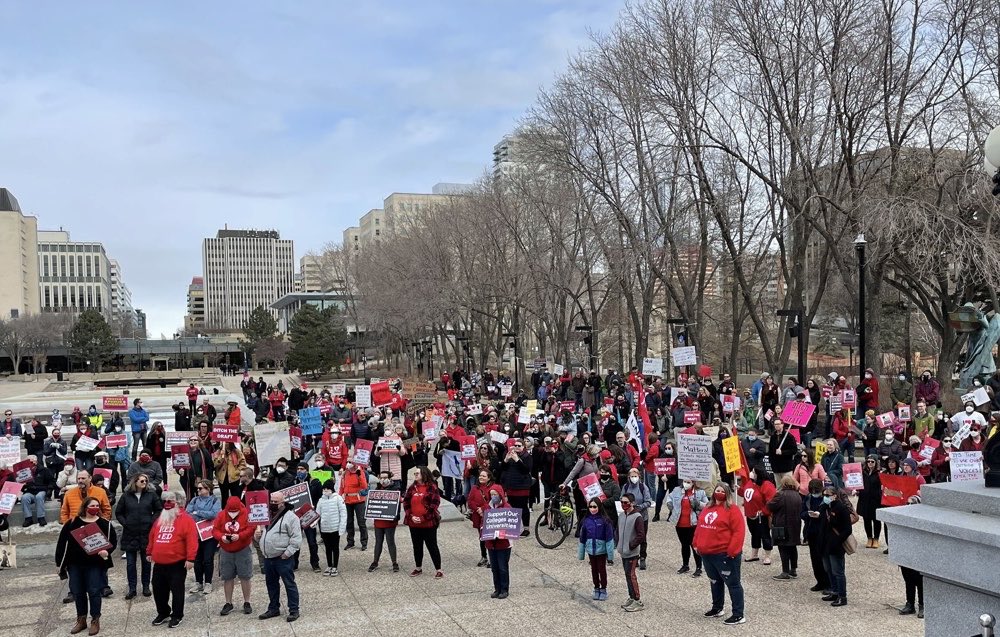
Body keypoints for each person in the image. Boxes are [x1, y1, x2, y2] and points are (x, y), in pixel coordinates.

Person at [56, 496, 118, 636]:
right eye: (92, 505)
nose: (95, 508)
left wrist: (106, 551)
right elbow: (62, 543)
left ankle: (95, 620)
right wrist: (59, 563)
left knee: (94, 591)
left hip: (95, 564)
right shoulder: (72, 523)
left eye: (97, 506)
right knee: (78, 591)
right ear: (85, 507)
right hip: (75, 563)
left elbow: (112, 541)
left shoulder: (105, 524)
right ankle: (81, 619)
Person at [692, 483, 747, 625]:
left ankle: (738, 614)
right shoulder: (708, 508)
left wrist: (732, 551)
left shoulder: (732, 510)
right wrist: (696, 543)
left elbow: (738, 532)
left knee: (733, 584)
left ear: (727, 493)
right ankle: (717, 608)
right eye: (717, 490)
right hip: (707, 553)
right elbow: (700, 527)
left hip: (724, 554)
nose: (719, 493)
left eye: (722, 491)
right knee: (715, 581)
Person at [147, 491, 199, 628]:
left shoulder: (186, 520)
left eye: (171, 501)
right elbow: (153, 535)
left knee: (177, 591)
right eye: (166, 501)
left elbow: (192, 540)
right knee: (158, 590)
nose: (167, 504)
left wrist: (191, 559)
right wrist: (149, 551)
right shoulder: (161, 519)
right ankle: (163, 612)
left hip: (177, 563)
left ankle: (177, 615)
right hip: (159, 563)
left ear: (179, 503)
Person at [256, 490, 302, 622]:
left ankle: (294, 610)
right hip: (268, 557)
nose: (272, 504)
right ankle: (273, 608)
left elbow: (296, 538)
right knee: (271, 584)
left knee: (289, 584)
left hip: (282, 558)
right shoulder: (265, 515)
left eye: (275, 502)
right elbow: (261, 532)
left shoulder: (291, 517)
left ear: (283, 503)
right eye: (271, 501)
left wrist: (287, 553)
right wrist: (257, 536)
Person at [115, 473, 162, 599]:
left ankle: (146, 586)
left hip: (146, 532)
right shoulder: (126, 496)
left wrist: (152, 522)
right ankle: (132, 588)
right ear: (135, 482)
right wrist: (125, 523)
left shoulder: (151, 495)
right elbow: (118, 512)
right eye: (141, 480)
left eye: (146, 480)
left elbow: (159, 509)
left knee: (146, 562)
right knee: (131, 564)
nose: (144, 482)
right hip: (130, 533)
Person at [213, 496, 255, 616]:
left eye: (234, 512)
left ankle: (247, 602)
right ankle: (228, 602)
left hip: (243, 549)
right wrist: (222, 537)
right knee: (227, 577)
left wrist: (240, 536)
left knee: (245, 576)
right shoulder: (221, 515)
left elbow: (251, 528)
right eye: (230, 512)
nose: (232, 514)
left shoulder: (246, 513)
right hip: (226, 550)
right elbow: (215, 530)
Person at [403, 466, 443, 578]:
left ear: (424, 474)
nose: (415, 475)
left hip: (428, 523)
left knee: (432, 546)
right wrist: (410, 515)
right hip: (413, 523)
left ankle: (438, 569)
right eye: (415, 473)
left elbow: (434, 505)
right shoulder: (412, 488)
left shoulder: (432, 487)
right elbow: (406, 502)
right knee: (417, 546)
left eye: (417, 473)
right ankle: (418, 568)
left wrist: (423, 518)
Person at [818, 485, 853, 607]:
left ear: (835, 496)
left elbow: (847, 529)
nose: (825, 497)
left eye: (827, 495)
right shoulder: (824, 507)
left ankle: (842, 596)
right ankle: (834, 591)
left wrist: (837, 540)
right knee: (829, 569)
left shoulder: (841, 508)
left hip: (835, 545)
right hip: (825, 544)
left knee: (838, 571)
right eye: (824, 495)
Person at [665, 479, 707, 576]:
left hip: (693, 523)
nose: (686, 484)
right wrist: (670, 504)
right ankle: (685, 565)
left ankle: (699, 567)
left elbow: (707, 505)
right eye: (684, 481)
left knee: (694, 545)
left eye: (688, 482)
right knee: (684, 545)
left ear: (693, 483)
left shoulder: (700, 492)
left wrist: (698, 503)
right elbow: (669, 498)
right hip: (680, 523)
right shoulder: (677, 490)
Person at [186, 480, 221, 594]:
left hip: (209, 534)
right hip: (196, 534)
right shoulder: (194, 500)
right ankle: (198, 582)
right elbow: (188, 514)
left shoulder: (215, 500)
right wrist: (204, 514)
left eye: (201, 488)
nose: (198, 490)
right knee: (197, 559)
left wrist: (198, 513)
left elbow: (214, 514)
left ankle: (208, 583)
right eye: (198, 488)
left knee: (208, 559)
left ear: (208, 489)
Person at [578, 497, 616, 601]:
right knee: (594, 570)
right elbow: (582, 538)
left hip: (601, 550)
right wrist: (581, 554)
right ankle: (596, 588)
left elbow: (609, 538)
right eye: (590, 506)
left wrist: (610, 555)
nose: (592, 509)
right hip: (591, 550)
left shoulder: (605, 521)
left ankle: (603, 588)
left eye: (594, 506)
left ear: (599, 507)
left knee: (602, 570)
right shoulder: (586, 521)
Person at [480, 482, 513, 599]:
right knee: (494, 568)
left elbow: (511, 525)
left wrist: (501, 532)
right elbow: (483, 522)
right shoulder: (488, 507)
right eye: (491, 494)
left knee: (502, 567)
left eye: (495, 494)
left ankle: (504, 589)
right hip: (491, 543)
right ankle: (497, 588)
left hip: (503, 544)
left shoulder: (507, 507)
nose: (493, 496)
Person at [767, 475, 803, 580]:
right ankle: (793, 569)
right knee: (792, 547)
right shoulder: (798, 495)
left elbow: (770, 506)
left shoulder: (780, 495)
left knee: (783, 548)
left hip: (782, 525)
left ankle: (785, 571)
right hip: (795, 525)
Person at [616, 492, 646, 612]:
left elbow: (641, 535)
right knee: (627, 575)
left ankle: (637, 600)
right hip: (623, 551)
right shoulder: (622, 516)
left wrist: (631, 545)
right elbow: (618, 531)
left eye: (626, 502)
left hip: (632, 552)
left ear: (632, 503)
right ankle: (631, 597)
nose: (623, 504)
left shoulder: (637, 517)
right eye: (622, 502)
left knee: (631, 575)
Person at [801, 479, 831, 592]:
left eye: (816, 491)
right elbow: (802, 513)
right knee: (815, 560)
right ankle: (820, 581)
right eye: (812, 491)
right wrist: (808, 515)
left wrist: (820, 515)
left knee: (825, 560)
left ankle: (828, 583)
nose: (814, 493)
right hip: (811, 532)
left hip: (824, 533)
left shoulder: (826, 499)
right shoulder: (808, 498)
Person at [500, 438, 533, 537]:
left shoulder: (527, 456)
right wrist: (505, 460)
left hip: (522, 486)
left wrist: (517, 460)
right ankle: (513, 527)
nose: (517, 447)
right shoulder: (510, 455)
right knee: (512, 506)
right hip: (511, 485)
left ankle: (526, 528)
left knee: (522, 507)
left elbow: (526, 470)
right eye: (516, 445)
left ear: (523, 447)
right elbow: (503, 469)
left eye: (519, 446)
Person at [467, 469, 501, 568]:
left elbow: (494, 501)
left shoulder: (494, 488)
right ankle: (484, 556)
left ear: (489, 477)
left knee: (490, 536)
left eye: (484, 476)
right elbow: (470, 501)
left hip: (489, 515)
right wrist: (477, 510)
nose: (481, 477)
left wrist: (483, 509)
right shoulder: (474, 488)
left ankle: (492, 558)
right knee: (482, 536)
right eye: (480, 476)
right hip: (478, 516)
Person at [621, 467, 652, 570]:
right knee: (631, 537)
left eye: (635, 476)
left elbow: (648, 501)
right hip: (629, 517)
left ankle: (642, 557)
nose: (634, 478)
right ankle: (634, 557)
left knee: (642, 537)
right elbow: (622, 498)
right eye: (632, 476)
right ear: (629, 477)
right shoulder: (625, 487)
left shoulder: (643, 487)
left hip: (642, 517)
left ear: (639, 476)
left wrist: (639, 508)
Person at [317, 477, 348, 575]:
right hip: (325, 528)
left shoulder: (338, 498)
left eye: (327, 489)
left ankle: (335, 566)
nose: (325, 491)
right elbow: (317, 514)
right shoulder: (321, 500)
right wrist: (313, 524)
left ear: (332, 489)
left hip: (335, 528)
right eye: (324, 489)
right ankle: (329, 565)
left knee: (335, 547)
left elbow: (343, 513)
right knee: (328, 548)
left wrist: (341, 528)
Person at [339, 461, 369, 551]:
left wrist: (359, 475)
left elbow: (364, 486)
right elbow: (342, 487)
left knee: (361, 522)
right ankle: (350, 542)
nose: (348, 463)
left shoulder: (360, 472)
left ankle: (364, 542)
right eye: (348, 462)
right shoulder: (345, 473)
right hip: (347, 501)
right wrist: (340, 497)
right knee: (349, 522)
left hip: (359, 501)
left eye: (350, 462)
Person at [857, 455, 884, 549]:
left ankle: (876, 538)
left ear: (876, 462)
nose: (870, 463)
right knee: (866, 519)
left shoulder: (880, 473)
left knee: (876, 520)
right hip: (864, 498)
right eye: (868, 461)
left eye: (872, 461)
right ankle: (869, 538)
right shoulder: (862, 472)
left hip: (875, 499)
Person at [20, 456, 54, 527]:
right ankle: (28, 518)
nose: (30, 464)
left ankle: (41, 517)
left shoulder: (44, 470)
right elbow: (22, 487)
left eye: (31, 462)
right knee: (24, 497)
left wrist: (50, 490)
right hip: (30, 491)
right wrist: (23, 486)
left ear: (36, 461)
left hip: (42, 490)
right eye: (28, 462)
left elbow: (51, 481)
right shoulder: (24, 472)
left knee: (39, 496)